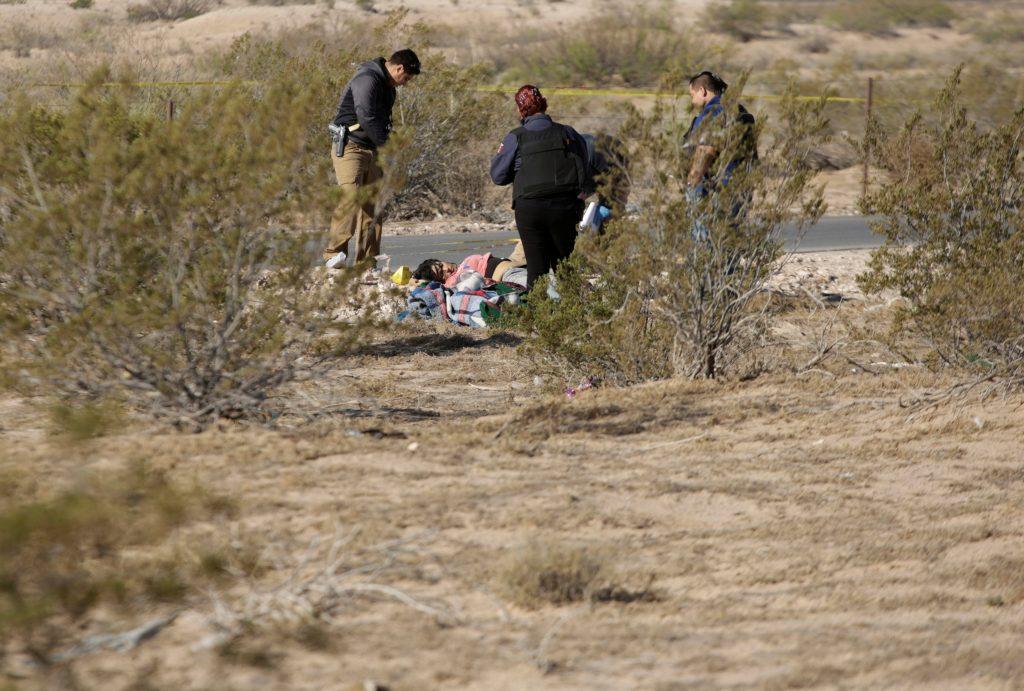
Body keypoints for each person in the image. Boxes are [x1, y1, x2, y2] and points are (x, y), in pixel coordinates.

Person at [324, 49, 421, 268]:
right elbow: (365, 115)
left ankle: (367, 262)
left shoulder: (389, 89)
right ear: (399, 68)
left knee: (373, 207)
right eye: (406, 78)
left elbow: (382, 123)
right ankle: (333, 254)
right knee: (350, 197)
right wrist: (387, 146)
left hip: (373, 150)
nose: (405, 83)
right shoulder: (367, 79)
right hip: (351, 148)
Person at [490, 85, 590, 289]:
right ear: (544, 104)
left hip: (530, 209)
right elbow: (584, 167)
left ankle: (537, 317)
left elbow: (498, 176)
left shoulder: (515, 137)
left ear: (521, 110)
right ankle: (573, 315)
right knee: (565, 268)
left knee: (536, 270)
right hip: (565, 208)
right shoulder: (567, 133)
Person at [684, 70, 758, 206]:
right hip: (742, 189)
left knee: (703, 227)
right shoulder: (739, 110)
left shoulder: (712, 111)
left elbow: (707, 149)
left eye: (692, 96)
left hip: (717, 192)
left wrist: (691, 186)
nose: (692, 101)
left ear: (702, 91)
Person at [412, 253, 527, 289]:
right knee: (536, 287)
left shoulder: (463, 263)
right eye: (441, 273)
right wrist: (415, 279)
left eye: (441, 266)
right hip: (510, 276)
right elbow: (422, 285)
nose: (446, 269)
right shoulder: (452, 282)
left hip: (515, 263)